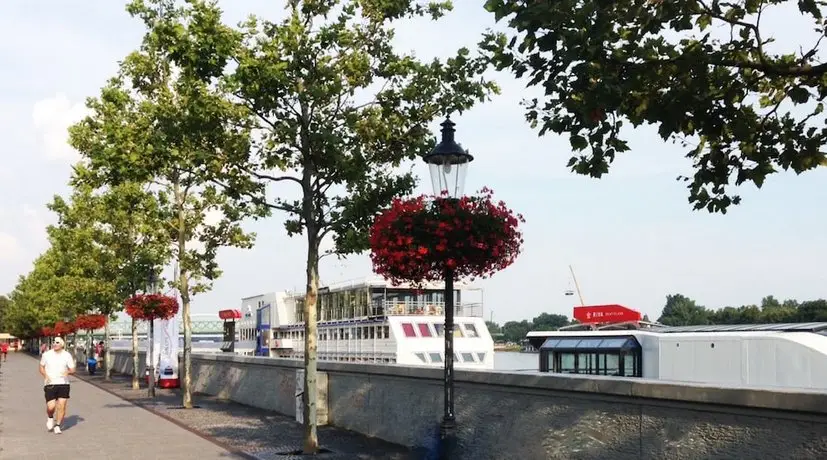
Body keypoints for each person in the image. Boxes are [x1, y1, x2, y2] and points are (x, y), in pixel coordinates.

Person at [39, 337, 76, 434]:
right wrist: (45, 376)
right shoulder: (46, 355)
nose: (55, 344)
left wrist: (67, 372)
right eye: (54, 342)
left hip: (63, 384)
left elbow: (73, 369)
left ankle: (58, 425)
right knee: (51, 407)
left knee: (62, 406)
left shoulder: (67, 355)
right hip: (50, 383)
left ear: (62, 344)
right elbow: (41, 367)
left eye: (57, 342)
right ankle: (50, 417)